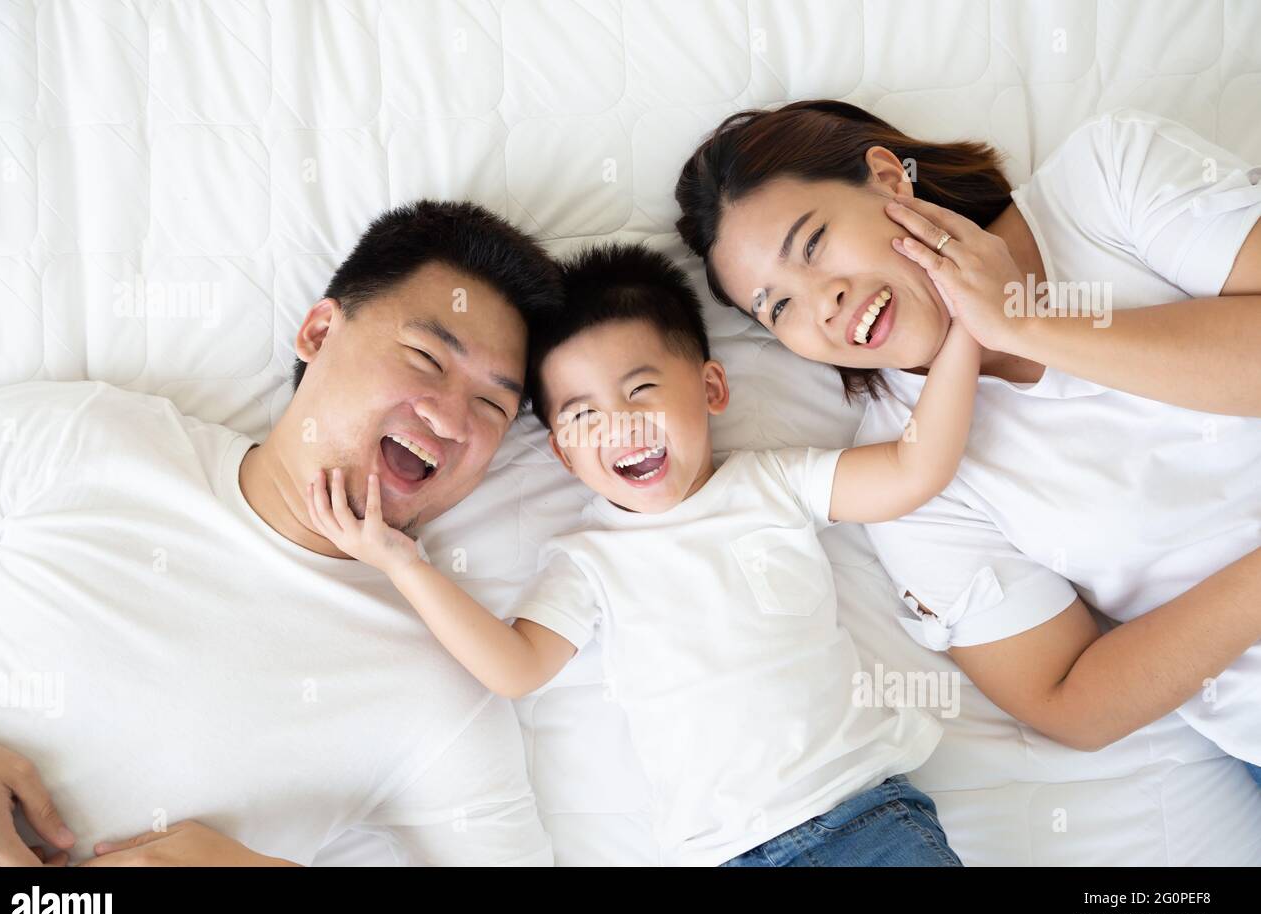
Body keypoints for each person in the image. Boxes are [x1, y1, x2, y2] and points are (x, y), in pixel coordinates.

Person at [306, 242, 980, 866]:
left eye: (641, 391)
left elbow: (914, 470)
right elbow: (515, 668)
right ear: (563, 455)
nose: (621, 424)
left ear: (712, 389)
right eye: (584, 415)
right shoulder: (589, 560)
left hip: (865, 820)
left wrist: (966, 335)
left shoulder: (772, 483)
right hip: (721, 855)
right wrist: (403, 564)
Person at [0, 200, 564, 866]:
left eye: (491, 407)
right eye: (426, 357)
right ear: (318, 332)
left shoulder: (441, 687)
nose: (452, 420)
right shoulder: (84, 442)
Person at [674, 101, 1261, 782]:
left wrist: (1027, 327)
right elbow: (1071, 702)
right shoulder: (910, 473)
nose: (820, 301)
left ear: (890, 180)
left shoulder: (1107, 177)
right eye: (777, 308)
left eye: (812, 245)